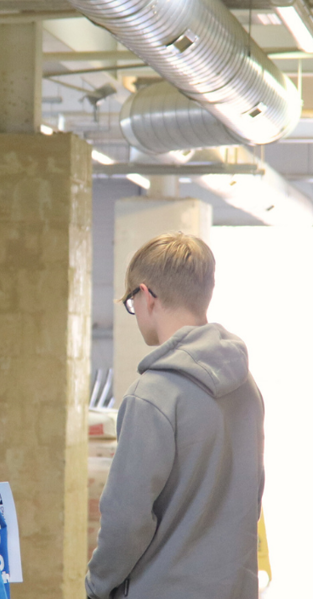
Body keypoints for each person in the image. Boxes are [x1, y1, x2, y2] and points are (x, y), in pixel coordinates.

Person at [86, 232, 265, 599]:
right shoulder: (247, 387)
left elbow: (125, 520)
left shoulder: (152, 396)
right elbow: (252, 495)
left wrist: (96, 586)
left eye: (132, 302)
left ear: (146, 296)